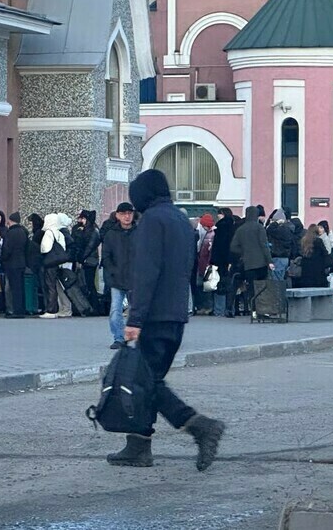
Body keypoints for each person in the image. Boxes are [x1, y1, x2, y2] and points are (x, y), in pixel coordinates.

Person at [107, 169, 224, 470]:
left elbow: (146, 274)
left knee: (145, 382)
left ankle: (200, 426)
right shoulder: (181, 222)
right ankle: (138, 446)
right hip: (175, 314)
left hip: (155, 316)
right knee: (146, 382)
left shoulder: (152, 223)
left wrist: (135, 318)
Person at [102, 202, 135, 349]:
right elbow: (106, 256)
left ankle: (139, 337)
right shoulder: (111, 234)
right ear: (118, 216)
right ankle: (119, 337)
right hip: (117, 279)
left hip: (135, 279)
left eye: (129, 213)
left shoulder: (139, 232)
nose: (127, 217)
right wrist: (112, 271)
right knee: (115, 310)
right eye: (123, 214)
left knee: (137, 311)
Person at [230, 206, 274, 284]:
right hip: (261, 263)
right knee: (261, 288)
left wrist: (244, 251)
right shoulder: (259, 228)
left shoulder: (240, 229)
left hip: (248, 263)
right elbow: (264, 245)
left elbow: (233, 247)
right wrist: (269, 261)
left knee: (251, 288)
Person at [39, 213, 71, 319]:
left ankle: (51, 309)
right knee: (56, 286)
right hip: (58, 262)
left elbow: (45, 248)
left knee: (50, 285)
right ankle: (58, 308)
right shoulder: (59, 232)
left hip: (49, 262)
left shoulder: (49, 232)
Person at [72, 210, 102, 315]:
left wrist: (81, 258)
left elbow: (89, 247)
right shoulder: (88, 230)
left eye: (83, 219)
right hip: (89, 260)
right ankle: (93, 306)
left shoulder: (93, 231)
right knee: (88, 284)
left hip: (90, 260)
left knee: (90, 284)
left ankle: (95, 307)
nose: (82, 221)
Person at [0, 212, 29, 318]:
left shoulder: (10, 233)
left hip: (11, 263)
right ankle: (21, 309)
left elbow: (6, 249)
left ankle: (16, 311)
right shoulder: (23, 232)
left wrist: (2, 259)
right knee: (20, 287)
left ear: (10, 221)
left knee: (13, 288)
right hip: (21, 262)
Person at [210, 208, 235, 317]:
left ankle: (219, 309)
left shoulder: (221, 227)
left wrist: (214, 259)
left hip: (221, 259)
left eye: (219, 214)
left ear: (223, 214)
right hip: (230, 259)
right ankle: (229, 308)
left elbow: (219, 246)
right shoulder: (234, 226)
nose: (218, 216)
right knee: (230, 284)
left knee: (219, 284)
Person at [195, 213, 215, 315]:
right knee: (203, 286)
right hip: (203, 263)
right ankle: (205, 306)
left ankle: (207, 307)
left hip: (206, 264)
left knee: (207, 287)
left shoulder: (210, 235)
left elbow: (208, 251)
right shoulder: (209, 234)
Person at [266, 209, 295, 281]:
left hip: (278, 258)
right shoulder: (289, 229)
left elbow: (269, 229)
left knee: (276, 281)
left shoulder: (279, 230)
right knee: (281, 279)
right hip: (285, 258)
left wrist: (275, 222)